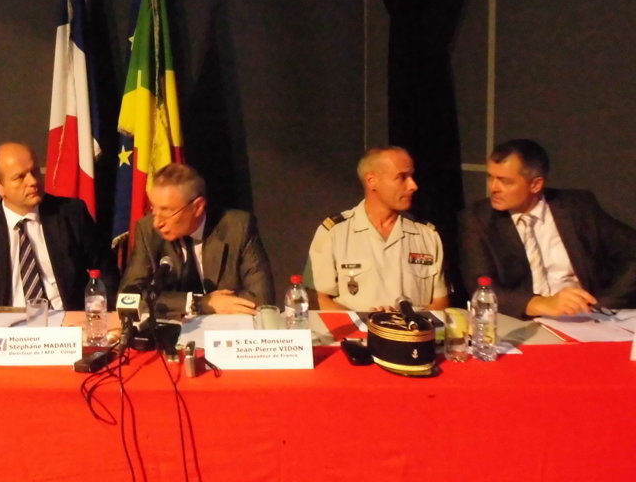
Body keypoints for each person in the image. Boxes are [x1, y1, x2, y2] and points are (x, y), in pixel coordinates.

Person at [460, 139, 636, 318]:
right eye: (490, 177)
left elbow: (632, 252)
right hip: (524, 321)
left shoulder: (578, 207)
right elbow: (479, 286)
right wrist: (541, 304)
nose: (493, 188)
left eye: (505, 181)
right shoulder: (477, 219)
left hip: (585, 317)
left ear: (535, 185)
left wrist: (603, 303)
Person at [0, 142, 118, 318]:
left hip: (67, 323)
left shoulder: (71, 214)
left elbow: (106, 273)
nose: (33, 181)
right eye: (20, 177)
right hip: (6, 328)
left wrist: (101, 320)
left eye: (35, 171)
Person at [119, 163, 274, 319]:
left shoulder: (238, 227)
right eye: (154, 209)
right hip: (174, 328)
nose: (157, 222)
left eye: (166, 211)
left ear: (198, 207)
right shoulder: (147, 231)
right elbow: (128, 297)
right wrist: (200, 303)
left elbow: (262, 301)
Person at [305, 147, 448, 311]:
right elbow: (318, 299)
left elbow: (440, 302)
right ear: (372, 181)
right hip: (355, 328)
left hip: (413, 327)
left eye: (411, 176)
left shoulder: (427, 235)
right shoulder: (334, 232)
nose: (413, 185)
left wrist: (407, 323)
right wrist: (366, 323)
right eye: (401, 177)